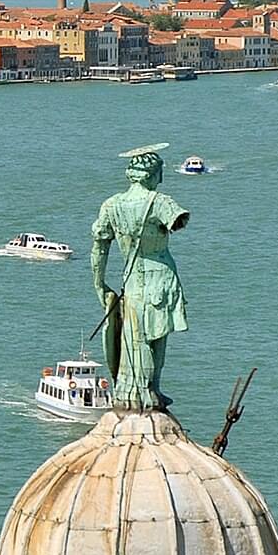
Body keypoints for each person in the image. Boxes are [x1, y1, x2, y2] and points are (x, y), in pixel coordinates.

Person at [91, 144, 189, 410]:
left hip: (131, 279)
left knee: (134, 336)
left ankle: (133, 390)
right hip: (160, 276)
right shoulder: (161, 202)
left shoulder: (111, 205)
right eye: (160, 171)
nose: (162, 178)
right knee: (155, 337)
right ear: (151, 174)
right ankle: (149, 390)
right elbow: (178, 220)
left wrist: (99, 283)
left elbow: (99, 247)